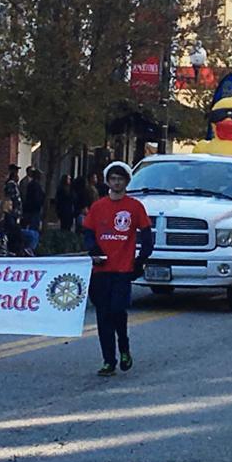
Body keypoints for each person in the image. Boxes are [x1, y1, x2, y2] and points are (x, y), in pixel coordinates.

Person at [82, 161, 152, 376]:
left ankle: (124, 346)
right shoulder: (98, 206)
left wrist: (141, 259)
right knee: (103, 316)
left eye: (120, 179)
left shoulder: (134, 207)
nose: (116, 182)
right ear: (107, 181)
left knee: (117, 311)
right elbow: (87, 232)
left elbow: (147, 234)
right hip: (101, 271)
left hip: (122, 269)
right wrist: (93, 250)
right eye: (113, 178)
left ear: (127, 181)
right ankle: (108, 360)